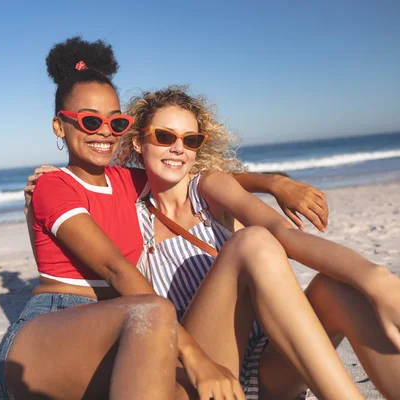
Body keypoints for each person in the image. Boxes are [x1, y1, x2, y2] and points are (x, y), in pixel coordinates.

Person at [0, 36, 247, 400]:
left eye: (116, 123)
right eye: (89, 120)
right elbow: (115, 269)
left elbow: (186, 176)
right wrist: (196, 357)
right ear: (58, 126)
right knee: (156, 311)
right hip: (54, 327)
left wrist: (272, 183)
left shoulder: (127, 181)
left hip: (124, 325)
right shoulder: (53, 184)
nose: (103, 131)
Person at [110, 86, 400, 399]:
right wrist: (51, 181)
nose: (179, 148)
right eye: (165, 136)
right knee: (251, 242)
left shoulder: (208, 189)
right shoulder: (128, 215)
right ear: (138, 141)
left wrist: (375, 279)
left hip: (265, 364)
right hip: (198, 368)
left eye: (190, 140)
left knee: (337, 290)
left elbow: (283, 232)